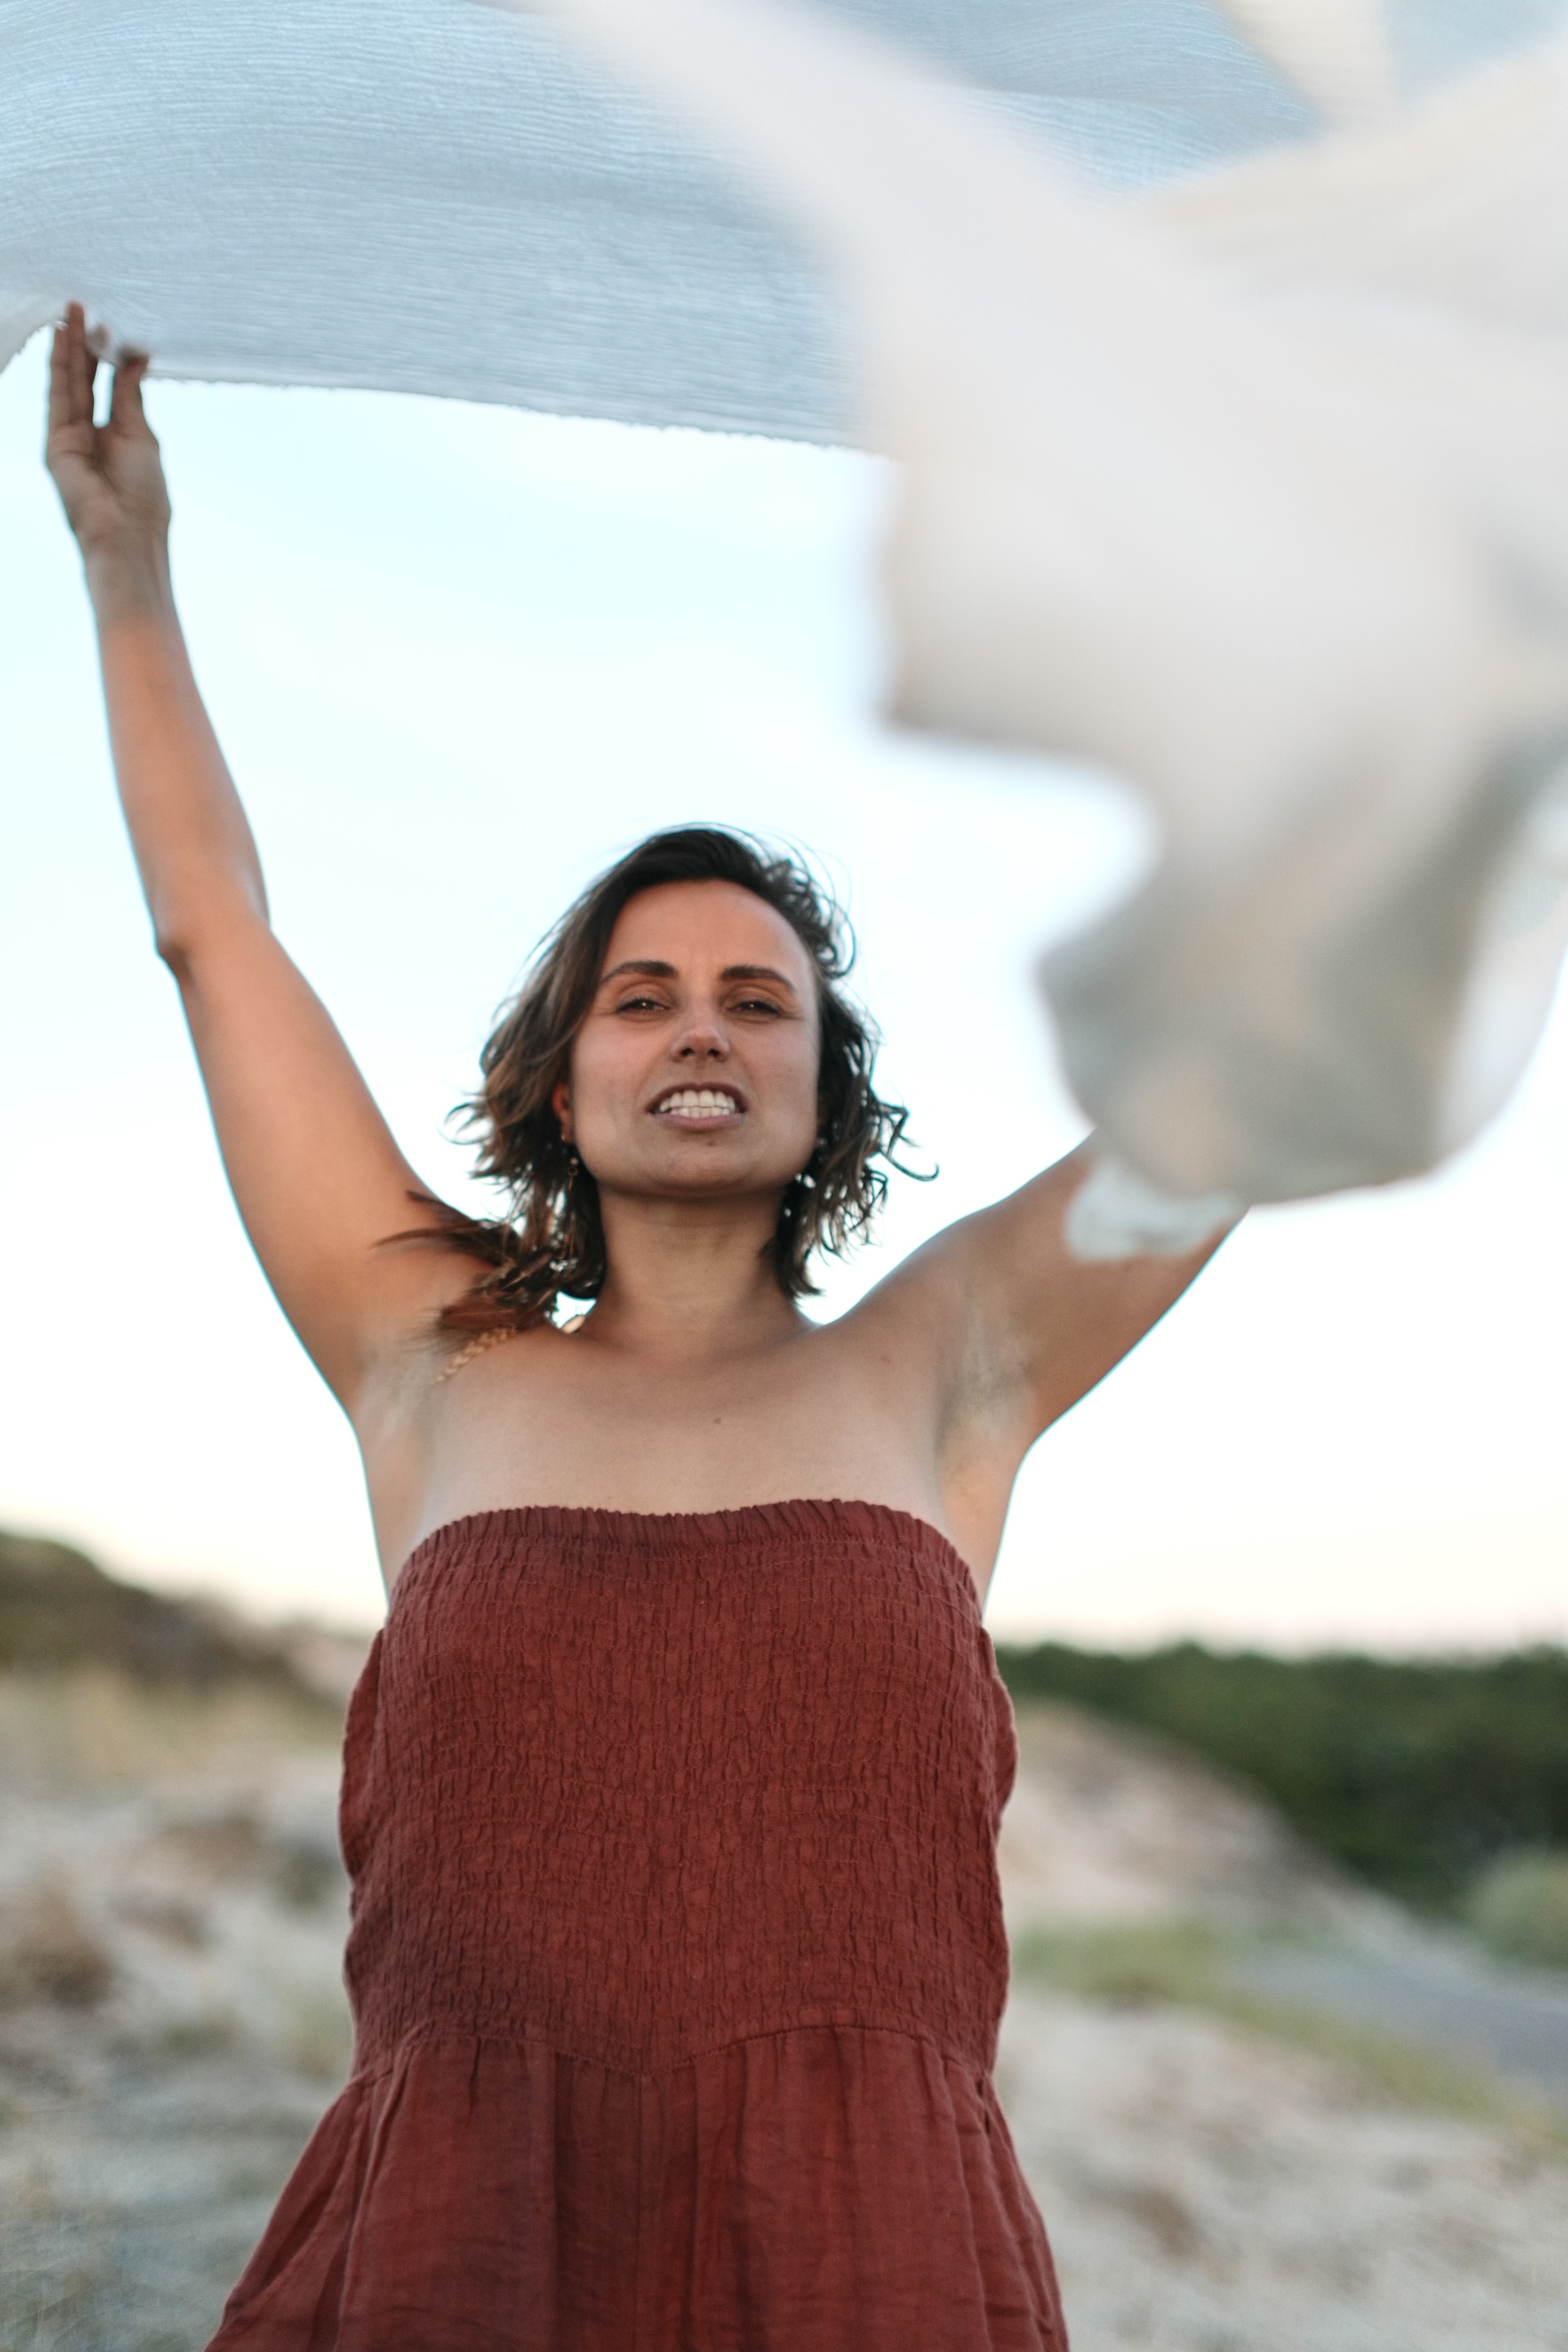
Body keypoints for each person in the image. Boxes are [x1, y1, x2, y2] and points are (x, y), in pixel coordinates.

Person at [45, 301, 1228, 2352]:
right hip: (463, 2245)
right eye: (644, 992)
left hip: (875, 2259)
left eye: (758, 999)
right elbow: (212, 936)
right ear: (564, 1077)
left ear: (820, 1086)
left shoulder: (944, 1358)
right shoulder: (434, 1352)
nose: (701, 1024)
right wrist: (127, 570)